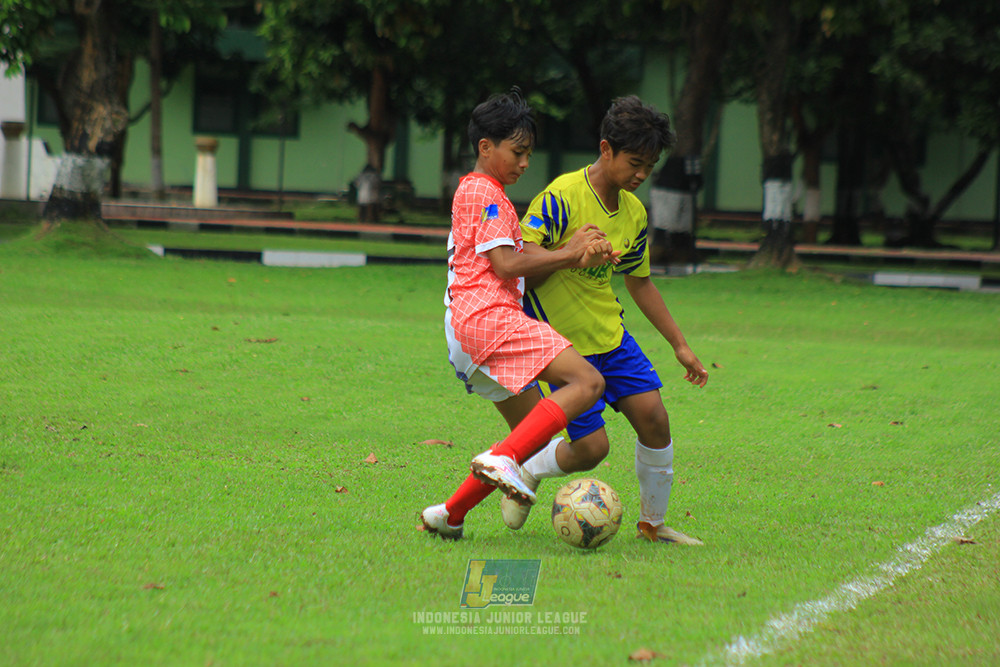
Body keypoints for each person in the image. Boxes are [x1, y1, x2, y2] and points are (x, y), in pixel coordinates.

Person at [505, 95, 709, 545]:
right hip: (563, 347)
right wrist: (571, 253)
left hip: (611, 338)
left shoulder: (634, 213)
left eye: (649, 167)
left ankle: (652, 526)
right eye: (634, 162)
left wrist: (679, 344)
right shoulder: (562, 196)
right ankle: (528, 467)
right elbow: (520, 258)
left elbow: (640, 283)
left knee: (655, 418)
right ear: (605, 150)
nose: (640, 174)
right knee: (592, 450)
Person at [420, 88, 619, 540]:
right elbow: (506, 265)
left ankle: (448, 515)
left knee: (530, 441)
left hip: (465, 330)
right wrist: (569, 255)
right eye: (518, 152)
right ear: (484, 147)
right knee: (588, 383)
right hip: (489, 317)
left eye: (529, 153)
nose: (525, 163)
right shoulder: (487, 194)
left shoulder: (476, 191)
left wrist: (574, 252)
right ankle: (502, 460)